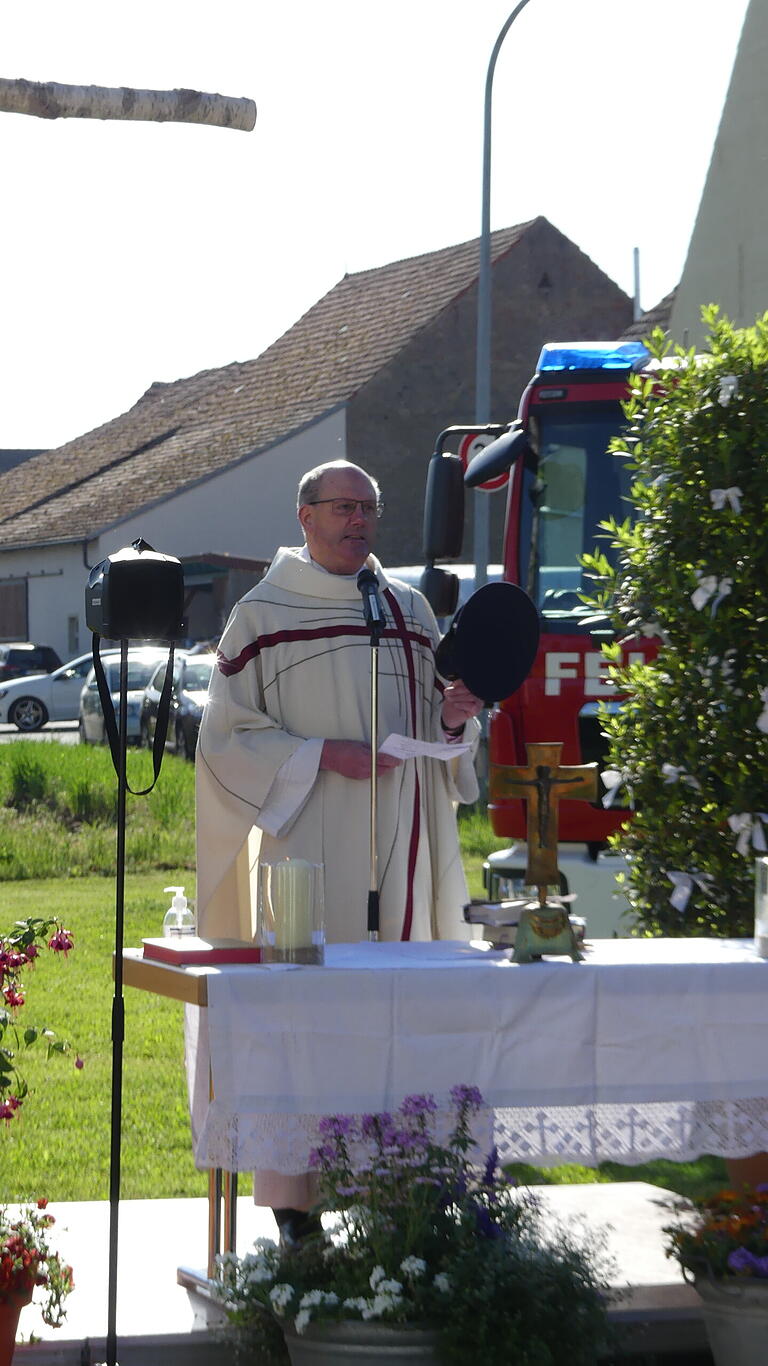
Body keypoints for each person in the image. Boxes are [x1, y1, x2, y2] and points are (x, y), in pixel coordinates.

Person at [193, 459, 483, 1230]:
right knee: (307, 1028)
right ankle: (299, 1212)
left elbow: (441, 728)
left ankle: (404, 1201)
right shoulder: (261, 614)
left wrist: (454, 717)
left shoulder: (408, 609)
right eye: (343, 507)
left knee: (400, 1020)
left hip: (402, 846)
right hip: (310, 858)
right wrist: (324, 754)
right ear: (305, 517)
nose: (358, 521)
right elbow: (225, 739)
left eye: (369, 507)